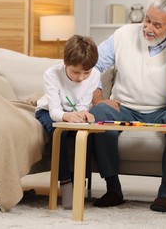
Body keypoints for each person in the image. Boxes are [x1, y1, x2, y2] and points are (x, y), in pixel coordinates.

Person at [90, 0, 166, 212]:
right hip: (125, 108)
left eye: (157, 24)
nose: (147, 28)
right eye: (147, 20)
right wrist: (99, 97)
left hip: (164, 111)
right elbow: (91, 65)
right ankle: (113, 188)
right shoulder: (123, 35)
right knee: (100, 111)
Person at [35, 34, 100, 210]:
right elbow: (55, 110)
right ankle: (65, 182)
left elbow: (83, 104)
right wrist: (66, 116)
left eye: (86, 72)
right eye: (76, 72)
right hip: (49, 111)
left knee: (86, 133)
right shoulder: (51, 74)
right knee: (60, 132)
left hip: (72, 112)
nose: (81, 78)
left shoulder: (94, 75)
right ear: (65, 62)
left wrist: (83, 113)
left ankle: (80, 182)